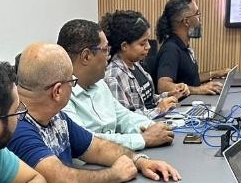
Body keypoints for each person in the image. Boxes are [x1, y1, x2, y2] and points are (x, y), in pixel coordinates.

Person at [3, 43, 180, 183]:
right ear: (57, 91)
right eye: (72, 82)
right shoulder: (17, 127)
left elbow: (97, 147)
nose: (73, 86)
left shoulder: (55, 118)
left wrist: (139, 160)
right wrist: (115, 174)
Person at [59, 18, 175, 150]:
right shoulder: (62, 96)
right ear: (86, 56)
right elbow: (87, 142)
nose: (109, 56)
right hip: (95, 161)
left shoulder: (99, 84)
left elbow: (124, 116)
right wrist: (143, 139)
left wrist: (152, 127)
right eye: (105, 50)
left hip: (118, 155)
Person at [101, 9, 188, 118]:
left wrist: (169, 95)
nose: (148, 47)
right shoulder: (114, 77)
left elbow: (147, 101)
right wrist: (158, 110)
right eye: (142, 43)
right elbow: (125, 120)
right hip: (145, 126)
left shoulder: (135, 63)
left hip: (154, 121)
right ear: (124, 46)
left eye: (147, 41)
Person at [154, 0, 233, 96]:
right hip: (181, 104)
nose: (200, 19)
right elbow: (163, 86)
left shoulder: (182, 46)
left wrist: (215, 74)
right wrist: (199, 90)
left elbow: (191, 79)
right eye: (197, 14)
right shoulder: (170, 49)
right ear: (186, 21)